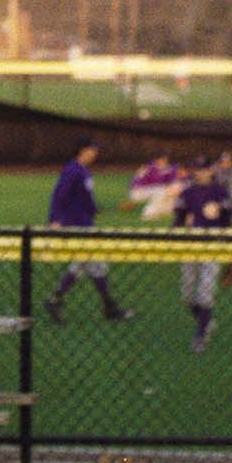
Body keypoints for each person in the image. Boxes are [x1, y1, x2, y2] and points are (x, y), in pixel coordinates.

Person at [43, 139, 134, 324]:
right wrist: (54, 220)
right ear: (83, 150)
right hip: (76, 225)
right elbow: (59, 194)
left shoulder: (82, 170)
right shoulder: (73, 169)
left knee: (92, 265)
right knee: (90, 263)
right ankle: (107, 307)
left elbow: (83, 198)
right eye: (93, 150)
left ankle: (106, 306)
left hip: (84, 222)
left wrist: (97, 208)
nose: (95, 153)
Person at [171, 156, 232, 352]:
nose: (201, 172)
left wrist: (231, 256)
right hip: (191, 243)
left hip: (214, 243)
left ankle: (200, 335)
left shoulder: (220, 191)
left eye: (205, 169)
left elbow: (228, 221)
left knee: (205, 291)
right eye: (197, 169)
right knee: (188, 295)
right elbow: (178, 221)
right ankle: (206, 321)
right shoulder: (187, 192)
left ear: (211, 170)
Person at [122, 152, 183, 222]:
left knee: (172, 189)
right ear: (155, 160)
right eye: (161, 159)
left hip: (152, 190)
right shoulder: (149, 168)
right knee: (161, 191)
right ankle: (148, 214)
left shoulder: (168, 168)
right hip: (138, 191)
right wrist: (133, 200)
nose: (163, 161)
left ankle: (167, 211)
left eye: (164, 159)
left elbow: (173, 179)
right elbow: (136, 183)